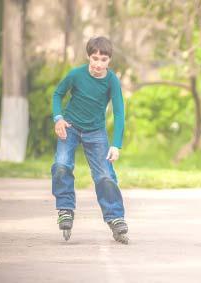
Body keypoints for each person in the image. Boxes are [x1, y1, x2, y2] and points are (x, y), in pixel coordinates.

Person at [51, 36, 128, 244]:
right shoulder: (76, 75)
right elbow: (57, 95)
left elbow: (119, 113)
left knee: (105, 174)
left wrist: (116, 144)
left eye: (103, 59)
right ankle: (65, 208)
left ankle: (115, 217)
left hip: (96, 132)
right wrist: (58, 118)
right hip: (70, 127)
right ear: (88, 57)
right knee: (61, 165)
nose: (98, 64)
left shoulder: (111, 80)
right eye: (95, 58)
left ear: (109, 61)